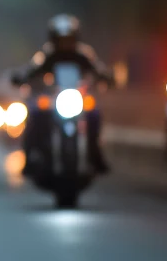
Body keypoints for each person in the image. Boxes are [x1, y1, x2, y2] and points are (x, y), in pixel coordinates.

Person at [12, 14, 113, 174]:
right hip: (53, 101)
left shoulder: (83, 55)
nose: (65, 43)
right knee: (36, 115)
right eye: (61, 39)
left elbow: (97, 69)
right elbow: (32, 70)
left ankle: (95, 154)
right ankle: (30, 156)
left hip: (77, 99)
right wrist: (21, 77)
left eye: (69, 38)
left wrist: (107, 77)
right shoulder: (47, 56)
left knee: (94, 115)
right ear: (54, 39)